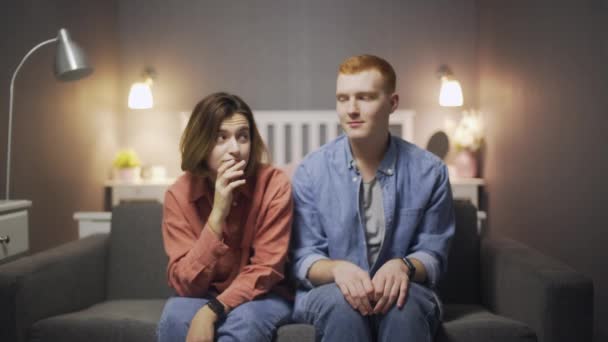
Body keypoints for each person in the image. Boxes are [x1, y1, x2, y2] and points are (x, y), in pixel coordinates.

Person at [290, 55, 455, 341]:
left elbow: (434, 253)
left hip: (407, 293)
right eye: (343, 99)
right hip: (330, 294)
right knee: (343, 308)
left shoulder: (431, 172)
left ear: (392, 103)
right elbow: (304, 256)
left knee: (403, 307)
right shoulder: (310, 172)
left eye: (365, 98)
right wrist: (337, 270)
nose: (351, 110)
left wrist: (402, 266)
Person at [157, 92, 293, 342]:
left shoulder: (274, 184)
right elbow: (186, 283)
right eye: (221, 137)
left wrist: (212, 311)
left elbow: (266, 270)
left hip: (262, 296)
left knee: (244, 324)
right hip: (201, 294)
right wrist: (218, 213)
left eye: (243, 137)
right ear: (202, 142)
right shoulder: (178, 194)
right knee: (174, 319)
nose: (235, 149)